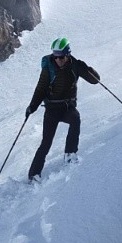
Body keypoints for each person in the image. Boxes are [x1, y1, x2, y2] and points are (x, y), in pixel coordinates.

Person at [25, 37, 100, 180]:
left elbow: (95, 81)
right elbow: (41, 88)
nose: (58, 59)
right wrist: (32, 106)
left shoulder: (75, 66)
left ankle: (70, 154)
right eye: (55, 56)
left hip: (67, 108)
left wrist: (86, 68)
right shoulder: (49, 67)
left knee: (75, 119)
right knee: (46, 143)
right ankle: (33, 174)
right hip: (52, 109)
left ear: (68, 54)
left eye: (61, 56)